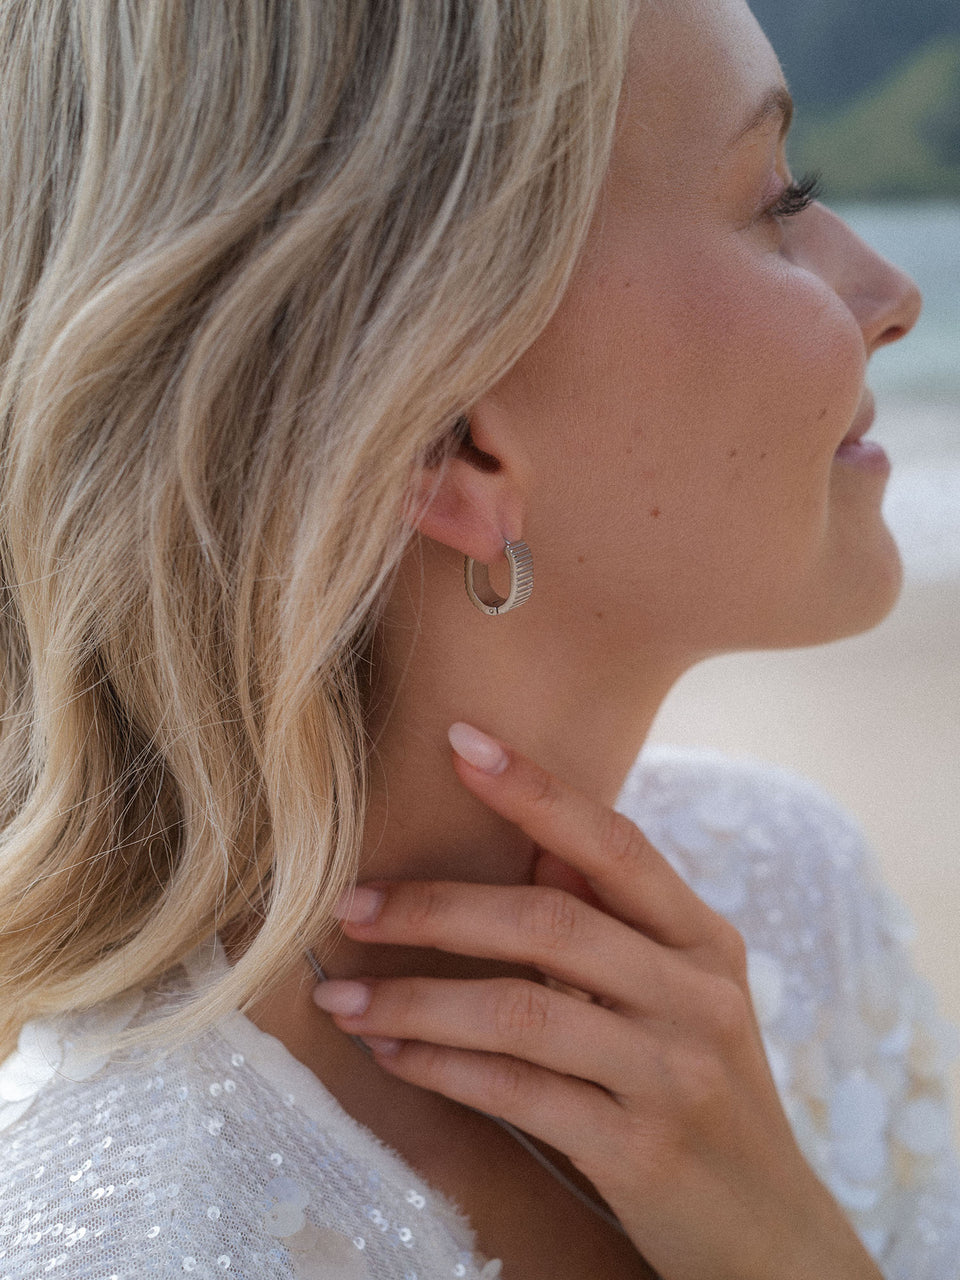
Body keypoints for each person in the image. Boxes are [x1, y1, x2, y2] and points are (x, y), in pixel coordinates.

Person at [0, 1, 956, 1277]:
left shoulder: (787, 894)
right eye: (778, 201)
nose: (892, 296)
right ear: (452, 439)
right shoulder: (134, 1232)